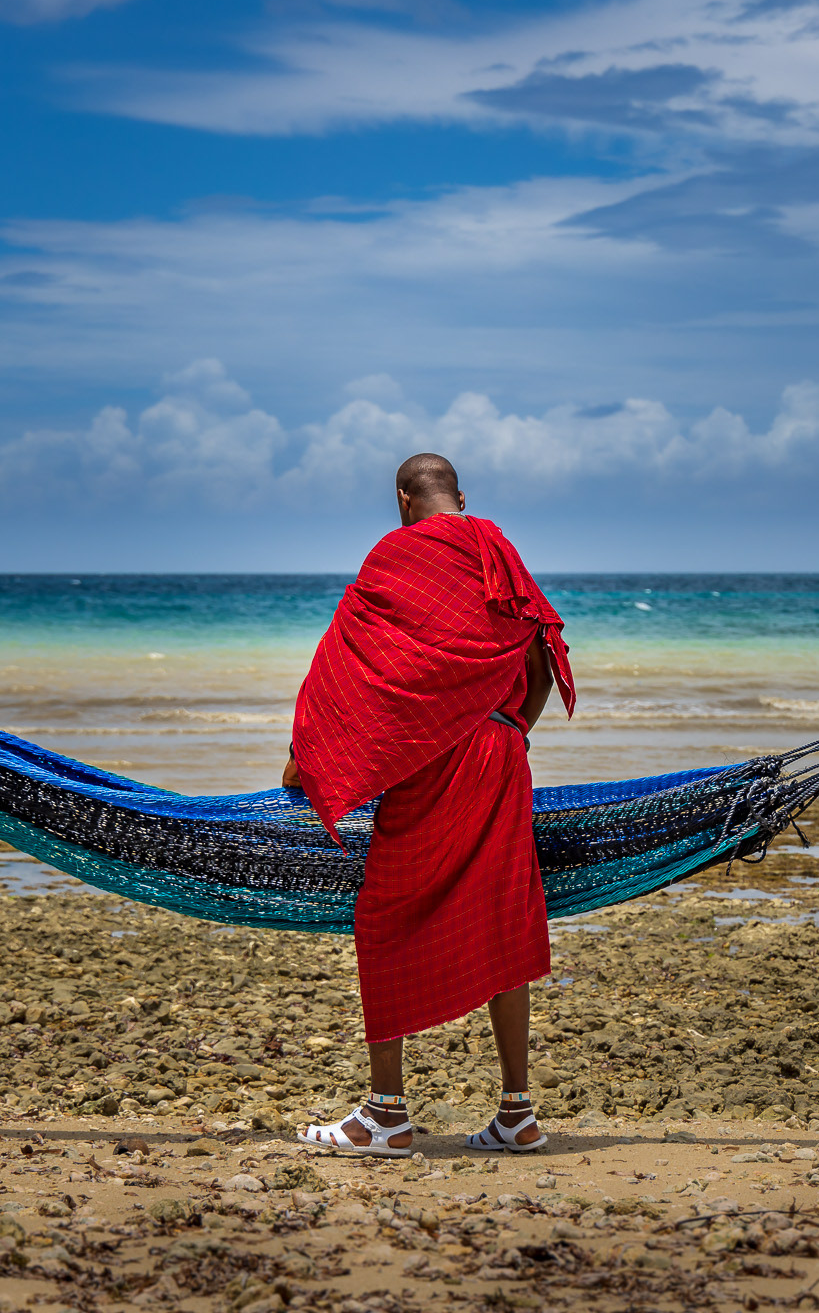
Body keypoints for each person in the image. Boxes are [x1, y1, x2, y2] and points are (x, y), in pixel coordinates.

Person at [285, 453, 575, 1157]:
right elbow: (540, 650)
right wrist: (512, 730)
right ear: (460, 497)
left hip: (434, 760)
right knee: (503, 921)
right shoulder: (493, 546)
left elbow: (361, 667)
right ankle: (517, 1114)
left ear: (401, 499)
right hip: (502, 757)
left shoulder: (395, 552)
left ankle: (385, 1114)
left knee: (384, 916)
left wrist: (311, 759)